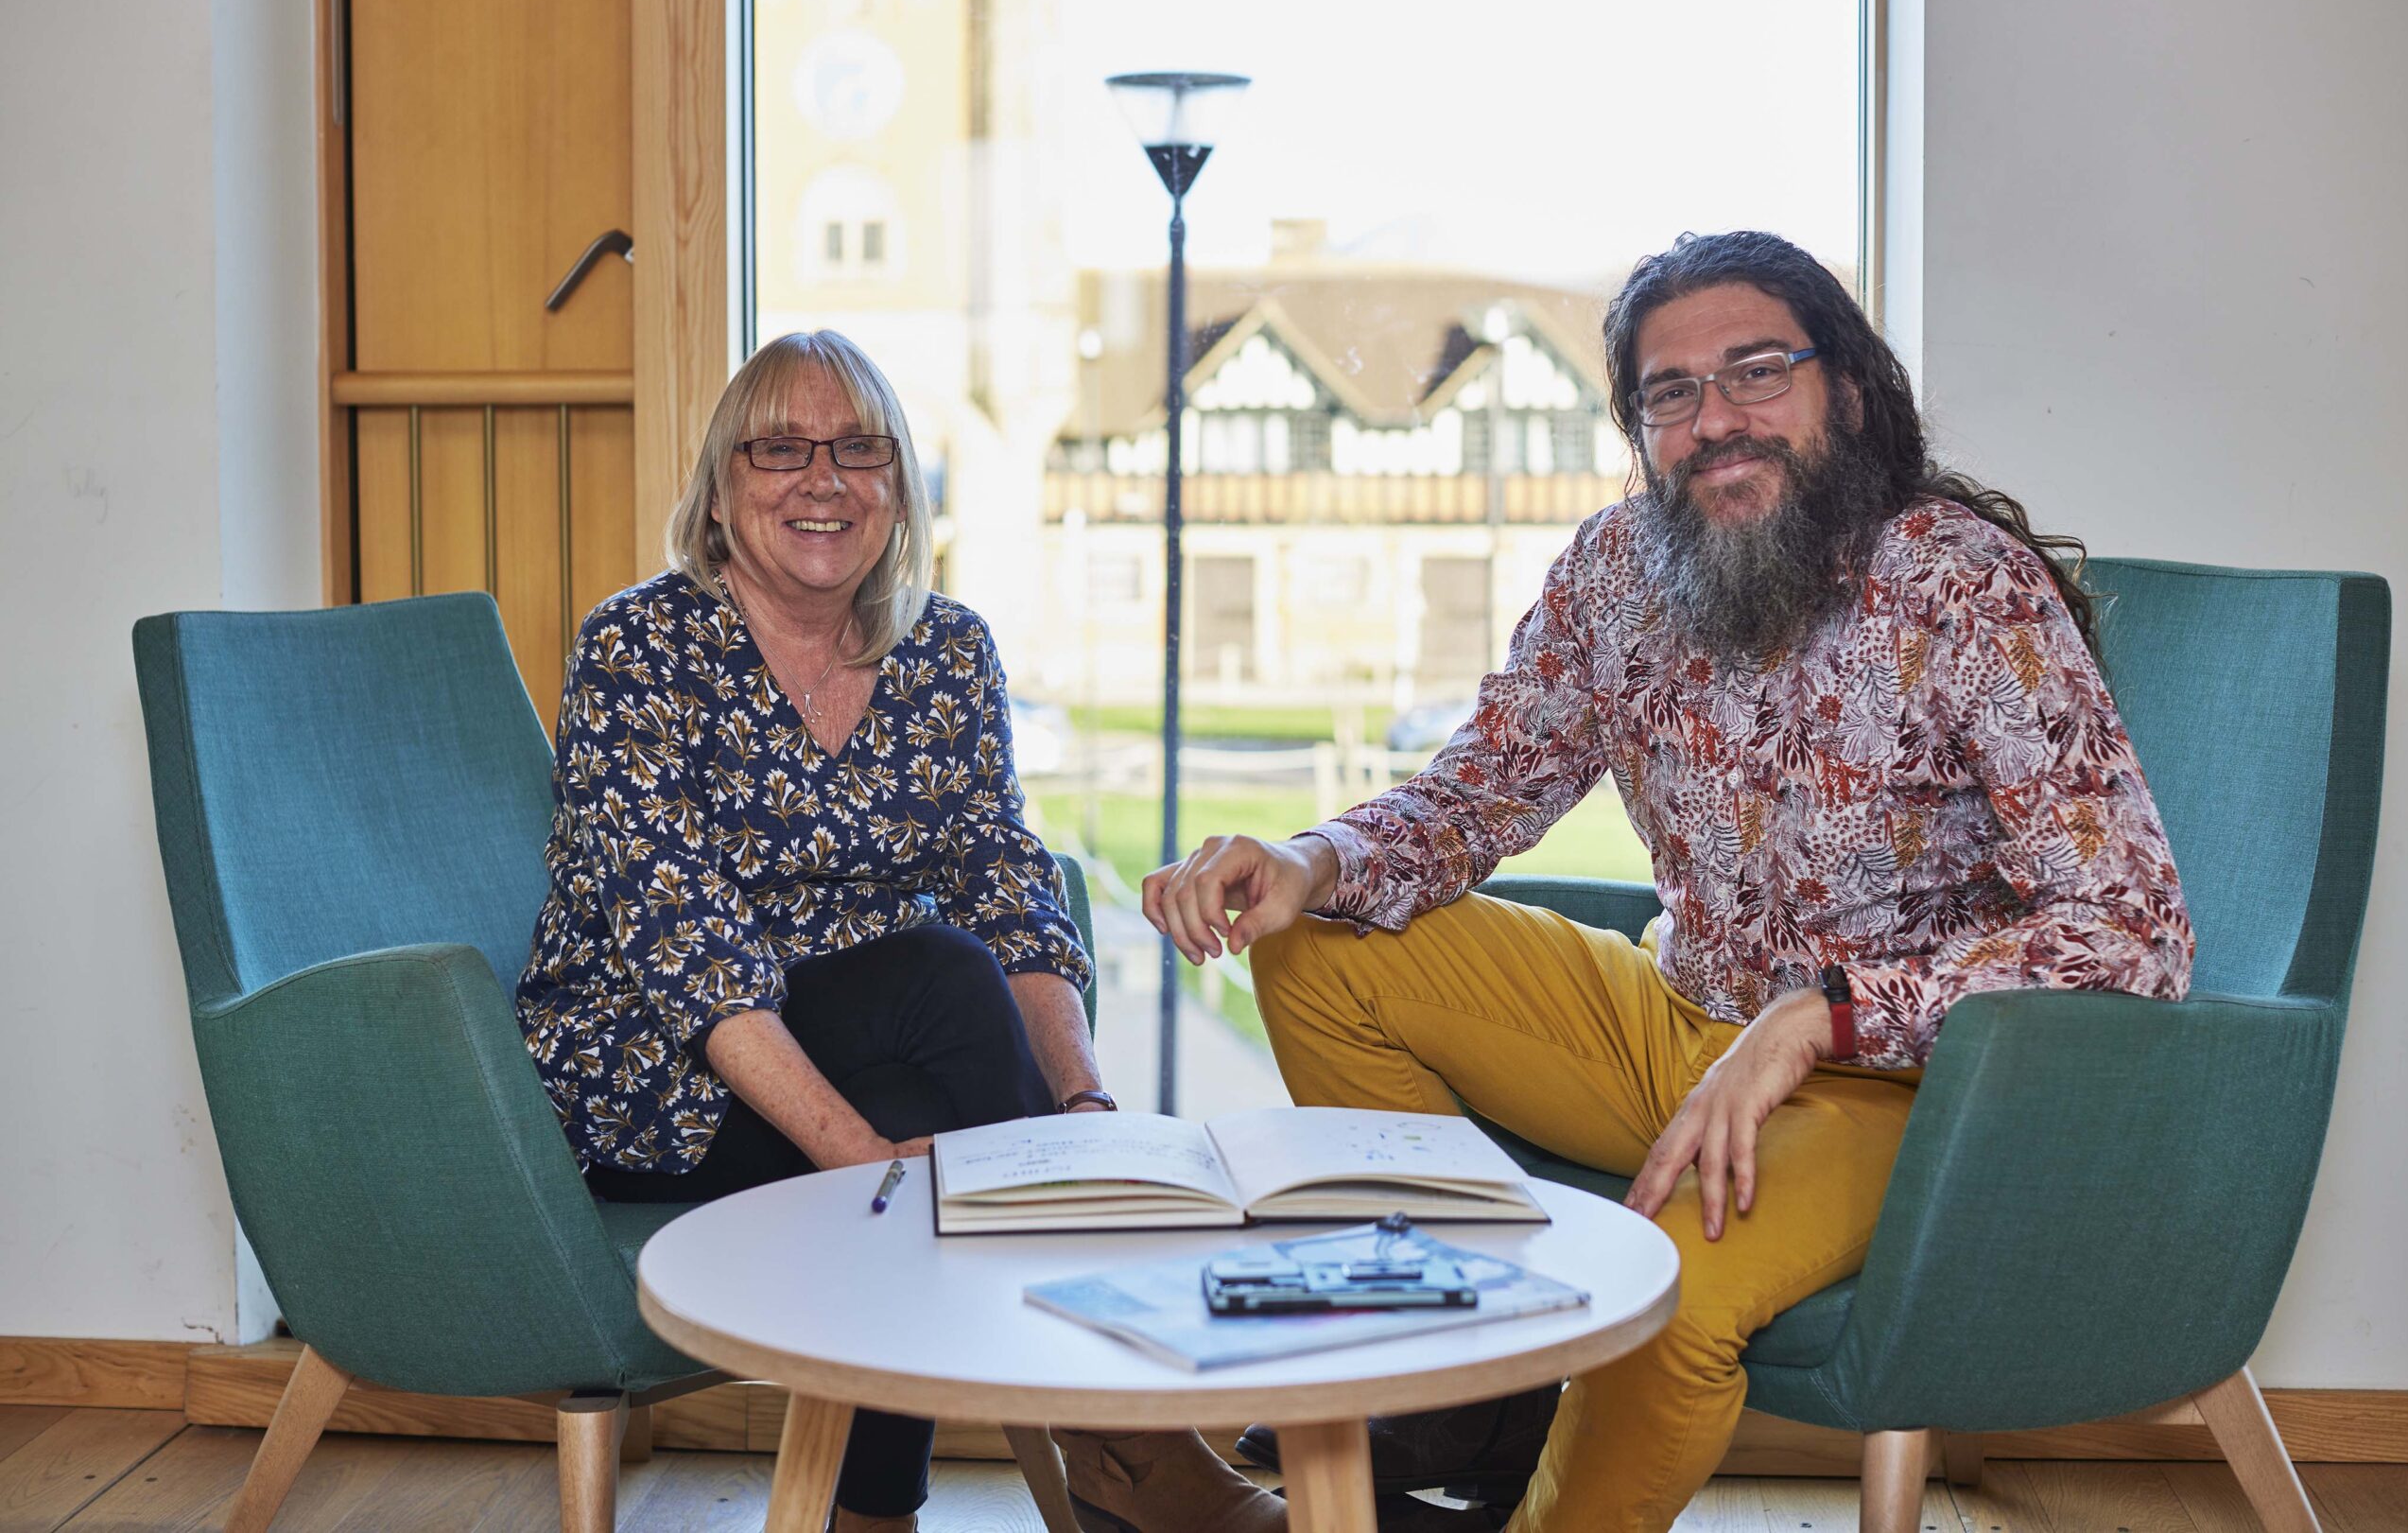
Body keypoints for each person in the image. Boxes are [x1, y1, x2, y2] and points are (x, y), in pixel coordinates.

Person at [1137, 231, 2195, 1533]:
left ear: (1845, 390)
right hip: (1671, 1029)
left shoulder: (1964, 586)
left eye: (1756, 373)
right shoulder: (1616, 572)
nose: (1715, 422)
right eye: (1672, 393)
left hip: (1896, 1092)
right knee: (1322, 944)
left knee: (1675, 1295)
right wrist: (1304, 861)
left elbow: (2132, 930)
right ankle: (1473, 1374)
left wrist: (1829, 1011)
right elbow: (1480, 790)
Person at [514, 330, 1109, 1533]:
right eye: (779, 447)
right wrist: (874, 1163)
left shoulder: (948, 651)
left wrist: (1085, 1111)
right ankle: (1117, 1452)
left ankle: (878, 1512)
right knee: (936, 999)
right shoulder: (639, 648)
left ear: (899, 486)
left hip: (876, 1053)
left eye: (858, 449)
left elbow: (1010, 887)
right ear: (722, 487)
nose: (821, 479)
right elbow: (686, 947)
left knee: (940, 1010)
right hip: (657, 1072)